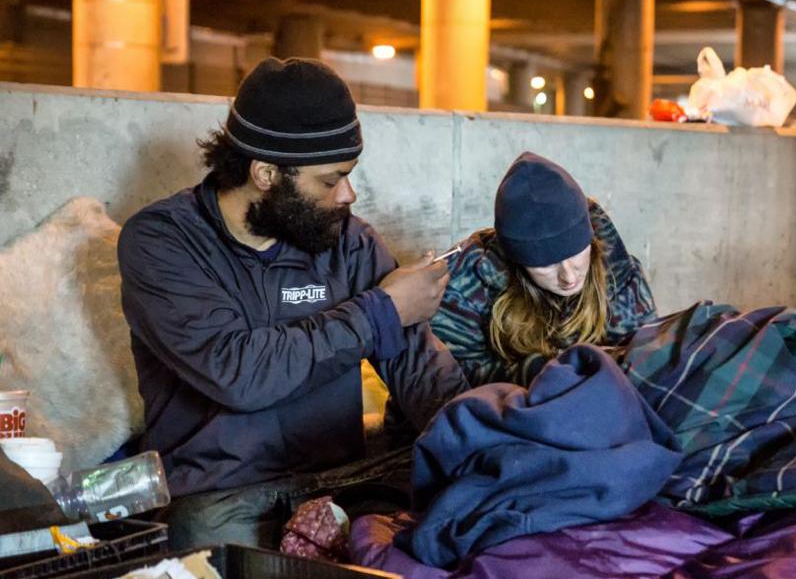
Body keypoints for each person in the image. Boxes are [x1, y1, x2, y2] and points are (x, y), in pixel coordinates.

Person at [117, 57, 469, 548]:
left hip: (339, 487)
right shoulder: (163, 243)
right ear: (265, 173)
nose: (348, 195)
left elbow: (419, 370)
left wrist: (484, 436)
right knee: (201, 532)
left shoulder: (349, 242)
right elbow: (239, 373)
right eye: (329, 180)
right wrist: (381, 312)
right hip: (223, 500)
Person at [431, 152, 657, 387]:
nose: (568, 276)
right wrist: (547, 373)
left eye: (576, 253)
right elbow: (455, 387)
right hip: (510, 406)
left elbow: (645, 362)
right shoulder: (464, 288)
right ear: (517, 260)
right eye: (546, 264)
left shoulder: (616, 267)